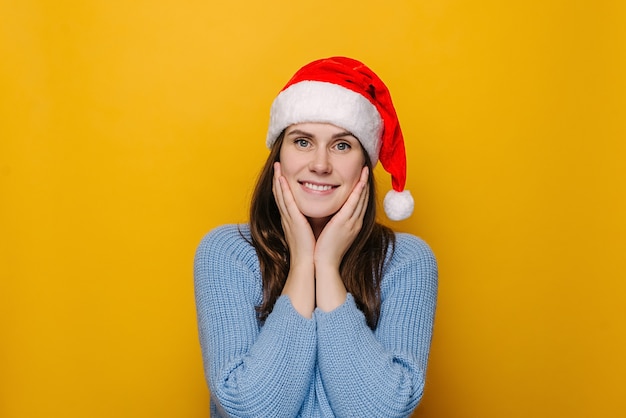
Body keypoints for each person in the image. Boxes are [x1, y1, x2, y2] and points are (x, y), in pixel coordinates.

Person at [194, 56, 438, 417]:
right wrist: (300, 263)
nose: (321, 164)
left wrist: (325, 266)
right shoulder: (226, 253)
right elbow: (248, 410)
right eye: (303, 141)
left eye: (342, 146)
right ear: (279, 156)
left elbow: (383, 412)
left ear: (364, 166)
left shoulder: (407, 260)